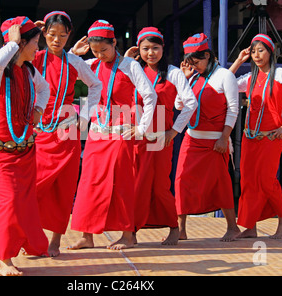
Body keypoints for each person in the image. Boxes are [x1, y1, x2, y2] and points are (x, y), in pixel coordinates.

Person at [68, 20, 157, 250]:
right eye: (95, 51)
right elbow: (63, 72)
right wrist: (72, 54)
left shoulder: (130, 65)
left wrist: (141, 128)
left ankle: (128, 235)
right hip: (97, 135)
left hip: (121, 135)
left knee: (121, 184)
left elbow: (150, 96)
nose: (100, 55)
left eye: (104, 50)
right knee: (89, 184)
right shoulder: (91, 65)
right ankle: (87, 236)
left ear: (114, 43)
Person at [0, 16, 50, 275]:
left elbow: (45, 89)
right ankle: (6, 258)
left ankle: (1, 254)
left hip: (25, 151)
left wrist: (38, 109)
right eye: (35, 43)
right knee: (9, 200)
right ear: (20, 43)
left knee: (23, 203)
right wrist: (14, 41)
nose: (38, 49)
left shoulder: (29, 71)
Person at [32, 11, 102, 257]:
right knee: (34, 186)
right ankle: (27, 233)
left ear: (69, 36)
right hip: (38, 131)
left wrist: (84, 117)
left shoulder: (74, 62)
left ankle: (55, 240)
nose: (56, 39)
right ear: (43, 34)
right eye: (51, 34)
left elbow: (96, 85)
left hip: (66, 132)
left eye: (62, 35)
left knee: (64, 187)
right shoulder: (33, 58)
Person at [124, 27, 197, 245]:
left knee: (159, 185)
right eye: (146, 48)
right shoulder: (134, 69)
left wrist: (174, 131)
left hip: (160, 137)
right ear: (139, 50)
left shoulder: (173, 72)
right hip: (136, 135)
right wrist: (127, 62)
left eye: (155, 48)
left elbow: (190, 103)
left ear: (163, 49)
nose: (151, 53)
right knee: (136, 183)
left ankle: (174, 227)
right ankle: (132, 231)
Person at [230, 33, 282, 239]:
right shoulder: (250, 77)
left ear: (270, 52)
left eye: (260, 50)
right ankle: (250, 226)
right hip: (249, 138)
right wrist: (239, 60)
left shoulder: (281, 74)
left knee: (266, 181)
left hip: (271, 138)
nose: (256, 55)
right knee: (247, 181)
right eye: (253, 51)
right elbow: (226, 83)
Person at [175, 33, 240, 242]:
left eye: (198, 61)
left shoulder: (224, 75)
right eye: (191, 62)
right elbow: (178, 105)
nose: (195, 66)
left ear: (208, 56)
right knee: (181, 181)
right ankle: (180, 229)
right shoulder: (192, 76)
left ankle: (232, 227)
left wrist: (224, 138)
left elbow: (233, 109)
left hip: (215, 141)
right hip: (191, 138)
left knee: (221, 183)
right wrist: (183, 79)